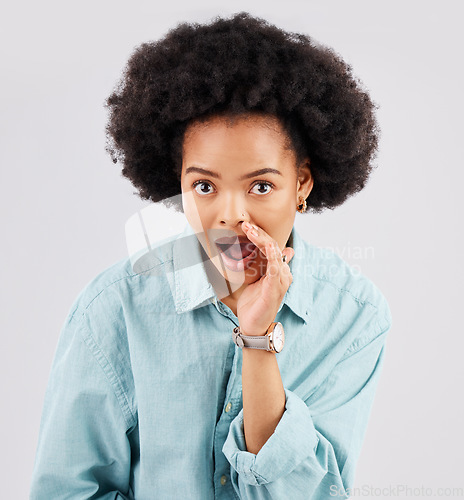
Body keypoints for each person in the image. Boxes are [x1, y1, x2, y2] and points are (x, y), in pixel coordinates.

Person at [29, 11, 392, 500]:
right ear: (177, 183)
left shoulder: (354, 315)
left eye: (261, 186)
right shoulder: (113, 309)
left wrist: (259, 337)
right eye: (204, 185)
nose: (230, 216)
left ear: (302, 183)